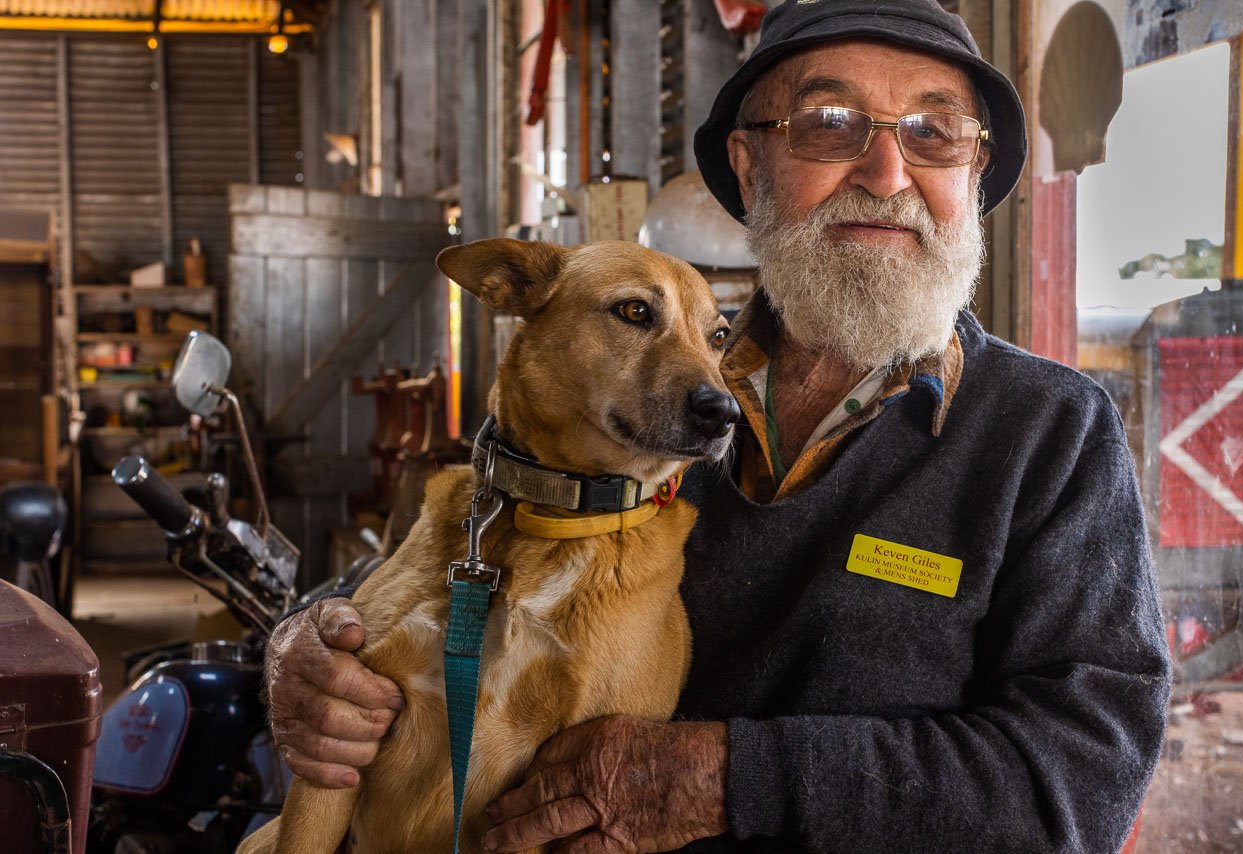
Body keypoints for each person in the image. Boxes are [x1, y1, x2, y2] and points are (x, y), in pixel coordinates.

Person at [263, 1, 1172, 851]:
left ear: (972, 177)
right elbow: (428, 575)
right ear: (749, 165)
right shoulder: (630, 394)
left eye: (935, 134)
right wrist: (303, 647)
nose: (888, 173)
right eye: (831, 123)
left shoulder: (1048, 434)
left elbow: (1079, 779)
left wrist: (726, 777)